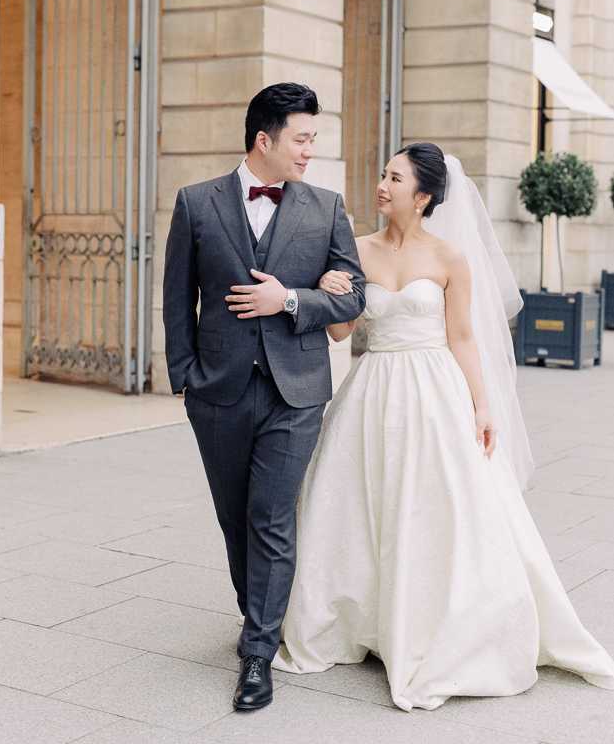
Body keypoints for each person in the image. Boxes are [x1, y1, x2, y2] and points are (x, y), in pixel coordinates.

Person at [273, 142, 614, 711]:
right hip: (372, 386)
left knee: (434, 505)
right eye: (383, 174)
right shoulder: (356, 249)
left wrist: (482, 404)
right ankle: (361, 618)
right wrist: (330, 291)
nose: (382, 185)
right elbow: (340, 333)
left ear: (423, 195)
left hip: (435, 391)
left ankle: (436, 623)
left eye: (395, 178)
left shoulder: (451, 258)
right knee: (358, 500)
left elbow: (462, 336)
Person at [163, 83, 366, 712]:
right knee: (234, 517)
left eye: (312, 139)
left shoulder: (326, 207)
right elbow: (177, 297)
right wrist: (185, 376)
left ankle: (257, 653)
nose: (309, 150)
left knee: (272, 517)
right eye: (301, 139)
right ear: (263, 140)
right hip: (218, 390)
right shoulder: (196, 203)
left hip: (295, 390)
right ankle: (257, 614)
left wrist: (293, 300)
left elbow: (355, 295)